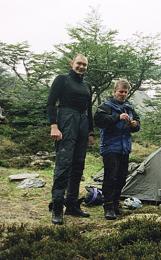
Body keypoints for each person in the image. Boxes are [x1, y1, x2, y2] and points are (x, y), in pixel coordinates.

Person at [47, 54, 94, 225]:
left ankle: (72, 205)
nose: (82, 67)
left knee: (78, 165)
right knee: (63, 165)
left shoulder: (87, 85)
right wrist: (53, 125)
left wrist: (90, 132)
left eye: (85, 65)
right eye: (79, 63)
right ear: (72, 63)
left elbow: (88, 110)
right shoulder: (62, 80)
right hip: (66, 119)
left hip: (82, 123)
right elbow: (51, 103)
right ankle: (58, 207)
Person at [94, 79, 140, 220]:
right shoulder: (106, 106)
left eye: (125, 92)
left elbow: (138, 126)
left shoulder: (129, 107)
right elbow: (99, 121)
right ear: (114, 91)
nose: (123, 94)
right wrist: (117, 117)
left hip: (124, 148)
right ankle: (107, 207)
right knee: (110, 177)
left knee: (121, 178)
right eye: (120, 91)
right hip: (110, 147)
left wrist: (134, 124)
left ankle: (115, 204)